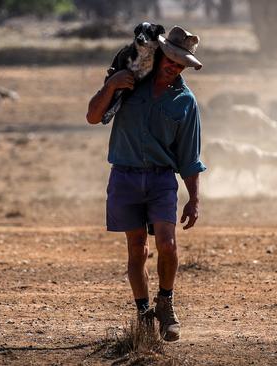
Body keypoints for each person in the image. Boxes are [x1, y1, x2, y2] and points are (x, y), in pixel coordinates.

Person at [86, 26, 205, 342]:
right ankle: (143, 313)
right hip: (124, 175)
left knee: (167, 244)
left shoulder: (185, 102)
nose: (174, 67)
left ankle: (165, 303)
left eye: (181, 64)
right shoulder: (131, 81)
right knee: (137, 249)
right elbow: (93, 116)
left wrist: (194, 199)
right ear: (162, 53)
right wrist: (111, 85)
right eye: (171, 59)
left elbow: (189, 157)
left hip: (161, 178)